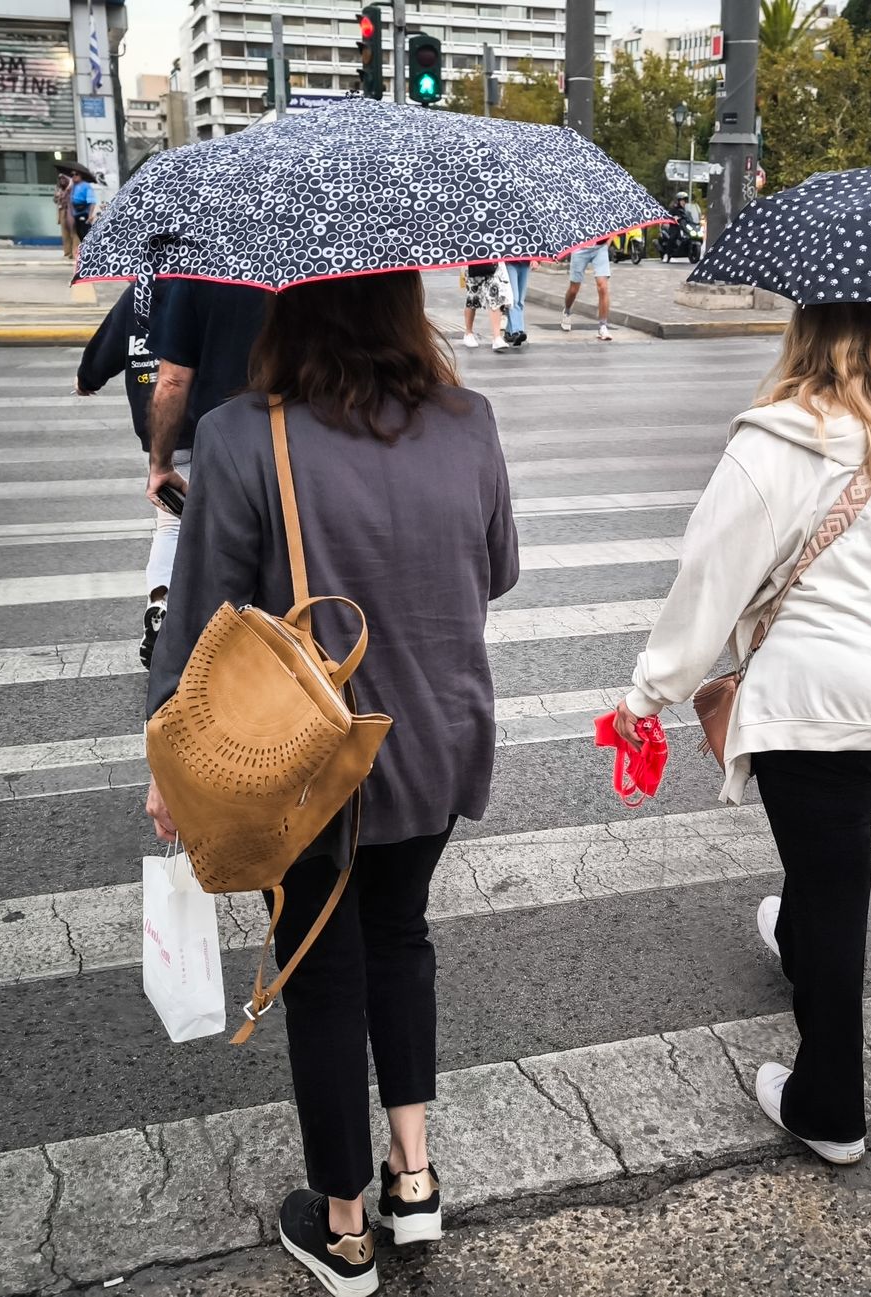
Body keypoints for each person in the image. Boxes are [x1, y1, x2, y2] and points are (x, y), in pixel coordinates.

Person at [146, 269, 519, 1296]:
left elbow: (200, 625)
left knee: (320, 968)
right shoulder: (470, 420)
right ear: (404, 303)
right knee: (401, 938)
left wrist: (167, 756)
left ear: (286, 306)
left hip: (314, 766)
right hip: (438, 741)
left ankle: (344, 1226)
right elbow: (497, 570)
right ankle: (415, 1177)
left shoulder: (237, 437)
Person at [612, 302, 871, 1166]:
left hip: (824, 706)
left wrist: (648, 695)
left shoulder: (779, 441)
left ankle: (828, 1104)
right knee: (828, 858)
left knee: (833, 890)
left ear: (804, 332)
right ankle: (795, 927)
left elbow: (707, 579)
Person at [142, 277, 271, 661]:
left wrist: (160, 463)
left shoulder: (199, 273)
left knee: (222, 555)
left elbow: (171, 380)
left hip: (220, 442)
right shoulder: (311, 264)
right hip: (299, 435)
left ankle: (204, 650)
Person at [74, 279, 168, 665]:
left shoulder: (142, 288)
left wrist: (87, 377)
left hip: (160, 430)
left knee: (171, 526)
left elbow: (109, 343)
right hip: (215, 422)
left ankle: (162, 603)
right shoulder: (215, 282)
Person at [562, 238, 613, 341]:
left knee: (603, 286)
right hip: (579, 247)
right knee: (573, 289)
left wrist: (607, 243)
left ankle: (603, 325)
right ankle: (567, 311)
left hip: (600, 247)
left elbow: (613, 225)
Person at [462, 261, 508, 353]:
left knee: (495, 297)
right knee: (472, 298)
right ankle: (468, 333)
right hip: (472, 261)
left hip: (493, 261)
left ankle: (496, 337)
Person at [502, 259, 531, 347]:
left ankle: (509, 332)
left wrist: (536, 260)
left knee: (520, 300)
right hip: (510, 261)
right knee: (514, 298)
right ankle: (517, 330)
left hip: (525, 262)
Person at [69, 173, 98, 242]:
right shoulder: (72, 186)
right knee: (79, 233)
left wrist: (90, 215)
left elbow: (92, 201)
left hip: (84, 211)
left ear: (81, 175)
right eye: (72, 175)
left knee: (85, 233)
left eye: (76, 174)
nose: (74, 176)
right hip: (75, 213)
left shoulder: (86, 186)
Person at [54, 172, 77, 260]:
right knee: (65, 232)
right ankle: (67, 252)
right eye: (60, 179)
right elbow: (55, 200)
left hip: (71, 211)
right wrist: (58, 197)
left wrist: (68, 192)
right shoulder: (58, 188)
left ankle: (75, 252)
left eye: (64, 178)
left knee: (73, 232)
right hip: (62, 210)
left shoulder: (73, 188)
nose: (62, 180)